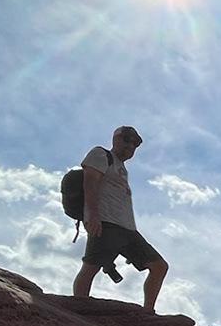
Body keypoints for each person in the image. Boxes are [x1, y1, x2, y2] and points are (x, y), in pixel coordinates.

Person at [71, 124, 170, 313]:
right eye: (126, 140)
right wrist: (92, 216)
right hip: (106, 223)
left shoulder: (121, 168)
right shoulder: (101, 155)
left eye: (135, 144)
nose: (130, 146)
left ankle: (148, 311)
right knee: (92, 266)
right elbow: (90, 183)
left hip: (127, 229)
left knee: (159, 266)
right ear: (115, 138)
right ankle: (78, 308)